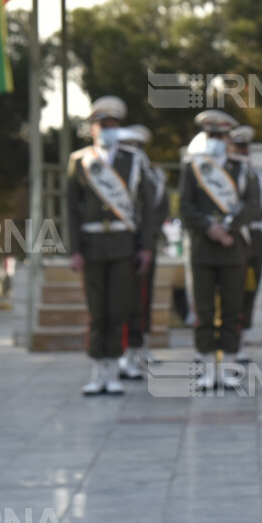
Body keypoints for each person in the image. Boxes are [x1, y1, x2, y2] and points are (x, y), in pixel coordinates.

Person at [66, 96, 156, 396]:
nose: (106, 130)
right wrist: (74, 249)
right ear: (92, 129)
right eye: (101, 125)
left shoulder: (134, 159)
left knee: (118, 308)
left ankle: (113, 371)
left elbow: (148, 207)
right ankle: (96, 372)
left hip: (123, 243)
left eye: (112, 125)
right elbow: (71, 209)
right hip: (92, 245)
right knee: (97, 310)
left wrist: (145, 246)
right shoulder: (80, 161)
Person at [179, 110, 257, 390]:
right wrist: (210, 228)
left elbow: (252, 205)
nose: (215, 140)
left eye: (220, 136)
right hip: (203, 249)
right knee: (204, 310)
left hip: (232, 249)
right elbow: (185, 206)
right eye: (210, 135)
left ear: (228, 139)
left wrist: (229, 229)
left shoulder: (242, 168)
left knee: (232, 309)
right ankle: (208, 369)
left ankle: (229, 368)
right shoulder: (193, 167)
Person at [116, 124, 168, 380]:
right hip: (123, 243)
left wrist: (150, 237)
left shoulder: (154, 175)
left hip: (146, 243)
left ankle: (140, 346)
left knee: (143, 298)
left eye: (138, 147)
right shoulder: (116, 174)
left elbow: (159, 208)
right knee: (125, 300)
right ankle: (125, 352)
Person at [227, 125, 262, 363]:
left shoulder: (258, 175)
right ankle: (226, 343)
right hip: (234, 239)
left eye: (246, 147)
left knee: (249, 293)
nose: (243, 150)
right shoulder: (226, 175)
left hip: (256, 242)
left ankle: (241, 342)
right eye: (239, 146)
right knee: (232, 293)